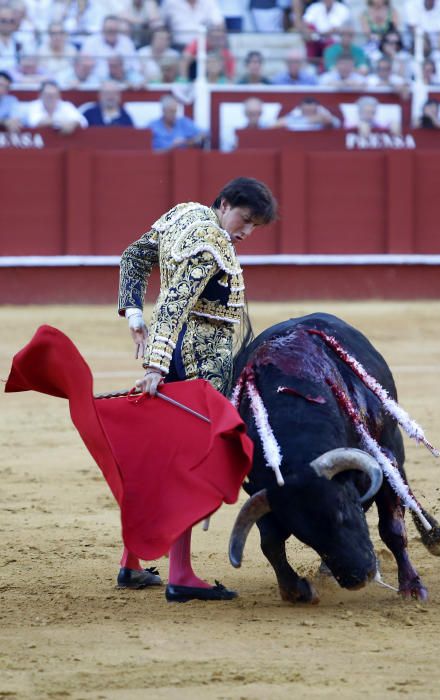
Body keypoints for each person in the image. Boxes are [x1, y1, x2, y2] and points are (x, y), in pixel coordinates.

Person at [117, 176, 277, 601]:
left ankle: (132, 563)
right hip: (200, 364)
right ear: (224, 204)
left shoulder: (183, 214)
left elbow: (134, 257)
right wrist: (154, 364)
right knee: (190, 460)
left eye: (255, 227)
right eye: (245, 219)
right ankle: (182, 573)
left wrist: (135, 316)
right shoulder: (211, 242)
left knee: (160, 457)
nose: (246, 232)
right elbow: (173, 300)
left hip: (177, 354)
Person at [23, 79, 87, 133]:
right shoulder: (33, 106)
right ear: (40, 95)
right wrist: (60, 123)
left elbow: (83, 122)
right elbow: (34, 123)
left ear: (59, 95)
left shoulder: (66, 106)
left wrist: (73, 124)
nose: (51, 98)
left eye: (54, 95)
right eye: (48, 95)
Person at [274, 96, 341, 130]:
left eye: (311, 106)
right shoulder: (295, 115)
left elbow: (333, 122)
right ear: (300, 107)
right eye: (306, 107)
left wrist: (295, 121)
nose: (309, 109)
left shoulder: (322, 114)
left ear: (316, 107)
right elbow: (276, 124)